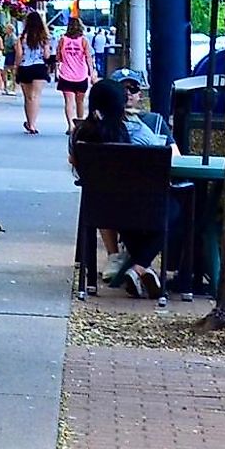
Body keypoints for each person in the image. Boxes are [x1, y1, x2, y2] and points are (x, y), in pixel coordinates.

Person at [72, 73, 170, 297]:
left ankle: (139, 270)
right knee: (174, 213)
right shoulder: (134, 132)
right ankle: (139, 268)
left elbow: (74, 162)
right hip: (141, 210)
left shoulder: (80, 134)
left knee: (141, 222)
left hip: (99, 210)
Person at [54, 12, 95, 130]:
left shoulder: (63, 39)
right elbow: (88, 57)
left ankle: (70, 126)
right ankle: (80, 125)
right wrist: (91, 73)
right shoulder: (84, 41)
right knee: (80, 102)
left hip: (66, 74)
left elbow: (58, 57)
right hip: (81, 75)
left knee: (69, 102)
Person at [15, 11, 52, 134]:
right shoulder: (44, 37)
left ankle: (29, 122)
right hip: (39, 67)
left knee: (27, 98)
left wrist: (16, 66)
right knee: (35, 97)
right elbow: (46, 55)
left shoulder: (21, 38)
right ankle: (33, 125)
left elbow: (19, 55)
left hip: (25, 68)